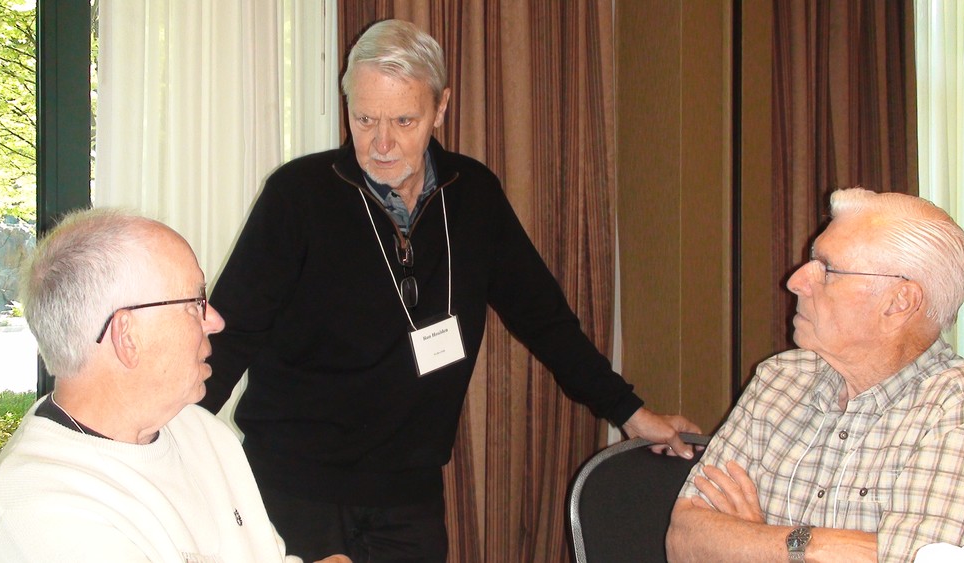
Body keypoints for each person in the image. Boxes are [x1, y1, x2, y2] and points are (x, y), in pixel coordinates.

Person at [200, 18, 699, 561]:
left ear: (441, 108)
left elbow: (545, 321)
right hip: (291, 491)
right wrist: (164, 447)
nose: (382, 144)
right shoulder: (298, 196)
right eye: (364, 119)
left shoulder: (473, 196)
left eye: (404, 120)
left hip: (408, 497)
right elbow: (226, 336)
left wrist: (629, 412)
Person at [0, 208, 347, 563]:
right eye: (195, 302)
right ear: (127, 336)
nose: (215, 321)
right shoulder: (38, 512)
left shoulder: (203, 432)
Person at [667, 188, 964, 563]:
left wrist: (756, 542)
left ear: (899, 302)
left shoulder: (961, 408)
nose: (795, 281)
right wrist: (812, 547)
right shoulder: (780, 379)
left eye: (827, 270)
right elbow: (684, 541)